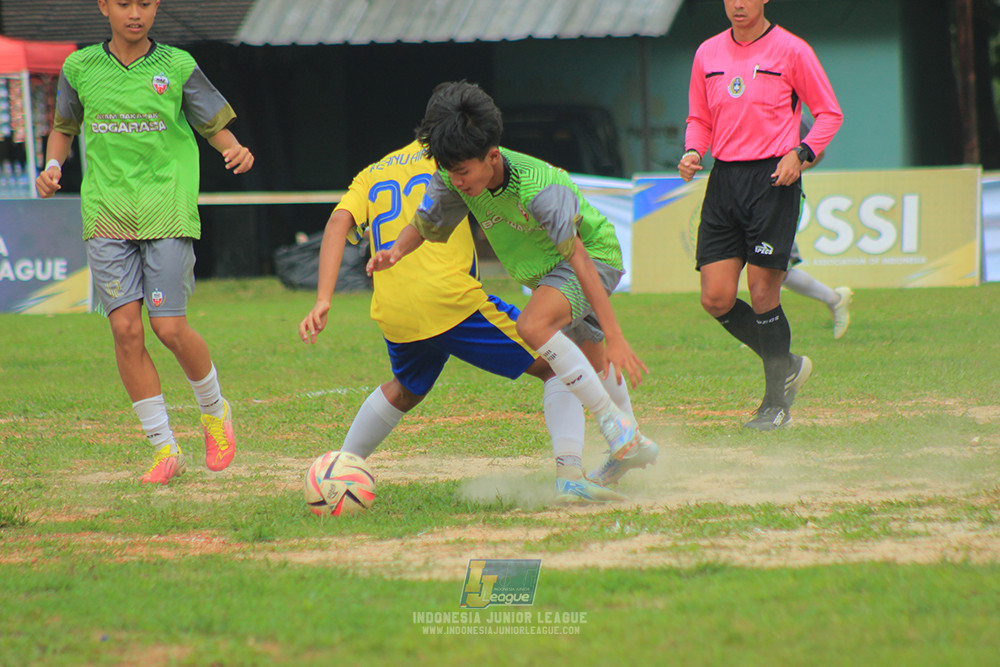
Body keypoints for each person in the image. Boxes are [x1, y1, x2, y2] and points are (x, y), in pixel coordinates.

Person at [299, 140, 626, 503]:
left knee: (406, 388)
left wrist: (323, 299)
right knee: (555, 360)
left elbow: (337, 221)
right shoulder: (456, 163)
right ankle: (571, 476)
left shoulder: (373, 172)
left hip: (393, 305)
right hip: (449, 300)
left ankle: (339, 471)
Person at [367, 81, 658, 486]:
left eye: (464, 171)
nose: (458, 180)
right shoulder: (455, 177)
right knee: (585, 361)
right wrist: (396, 252)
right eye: (450, 171)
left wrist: (616, 334)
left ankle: (615, 427)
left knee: (533, 326)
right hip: (548, 275)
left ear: (491, 156)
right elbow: (424, 224)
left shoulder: (540, 188)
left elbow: (582, 261)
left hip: (594, 257)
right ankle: (630, 445)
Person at [35, 0, 254, 484]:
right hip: (106, 214)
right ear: (104, 7)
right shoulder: (80, 66)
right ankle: (163, 448)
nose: (136, 13)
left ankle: (215, 412)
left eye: (147, 3)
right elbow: (64, 129)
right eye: (124, 3)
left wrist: (234, 149)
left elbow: (212, 123)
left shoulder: (177, 66)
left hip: (167, 210)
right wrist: (53, 167)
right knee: (125, 331)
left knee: (169, 329)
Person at [678, 0, 843, 430]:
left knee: (763, 289)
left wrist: (801, 153)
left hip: (774, 180)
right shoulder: (706, 54)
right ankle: (787, 363)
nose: (737, 4)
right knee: (715, 298)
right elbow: (699, 119)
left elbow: (829, 114)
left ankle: (776, 405)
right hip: (724, 182)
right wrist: (694, 150)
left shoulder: (792, 50)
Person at [781, 132, 852, 339]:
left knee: (772, 267)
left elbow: (817, 150)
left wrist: (791, 170)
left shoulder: (791, 111)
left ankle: (764, 334)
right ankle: (834, 299)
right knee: (776, 270)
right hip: (745, 194)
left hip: (778, 197)